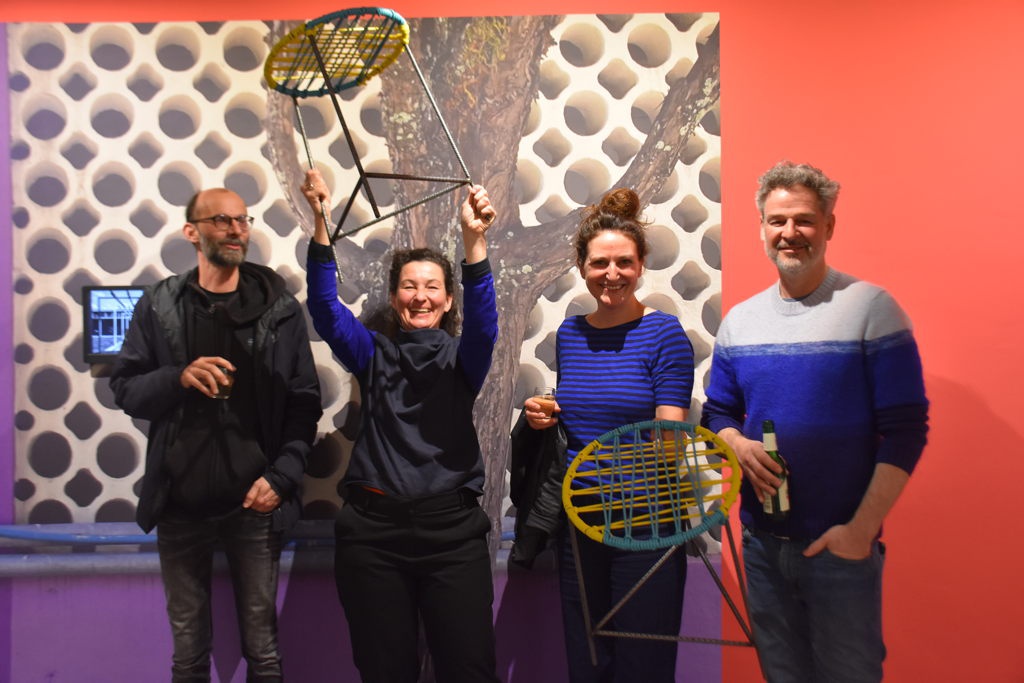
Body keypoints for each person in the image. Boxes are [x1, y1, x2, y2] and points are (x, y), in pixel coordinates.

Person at [701, 161, 929, 682]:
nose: (790, 232)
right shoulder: (740, 322)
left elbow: (906, 429)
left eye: (804, 219)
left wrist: (860, 532)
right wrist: (736, 442)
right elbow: (718, 412)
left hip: (840, 549)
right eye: (777, 221)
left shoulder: (872, 308)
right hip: (761, 544)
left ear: (829, 225)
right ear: (762, 228)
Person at [110, 187, 322, 682]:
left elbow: (304, 400)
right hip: (179, 504)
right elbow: (125, 389)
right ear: (192, 232)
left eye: (242, 220)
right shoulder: (161, 303)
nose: (235, 230)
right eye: (222, 221)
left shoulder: (278, 308)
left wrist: (281, 478)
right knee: (188, 655)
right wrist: (178, 377)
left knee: (263, 652)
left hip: (254, 504)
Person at [301, 169, 500, 683]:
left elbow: (484, 326)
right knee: (384, 671)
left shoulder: (464, 360)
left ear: (449, 300)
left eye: (432, 287)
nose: (420, 296)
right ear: (394, 299)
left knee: (469, 670)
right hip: (374, 537)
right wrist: (321, 221)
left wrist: (474, 241)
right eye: (409, 286)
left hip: (453, 536)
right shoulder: (372, 353)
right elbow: (324, 310)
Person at [522, 187, 695, 683]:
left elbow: (670, 444)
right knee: (588, 663)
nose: (612, 273)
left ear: (641, 266)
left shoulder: (665, 335)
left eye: (624, 262)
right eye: (600, 262)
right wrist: (541, 415)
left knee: (644, 667)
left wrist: (657, 443)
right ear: (582, 266)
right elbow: (580, 415)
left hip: (648, 524)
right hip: (581, 522)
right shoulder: (570, 335)